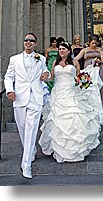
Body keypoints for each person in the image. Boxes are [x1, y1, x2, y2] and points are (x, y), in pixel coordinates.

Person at [38, 41, 103, 163]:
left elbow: (78, 76)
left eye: (64, 49)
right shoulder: (55, 62)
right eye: (60, 49)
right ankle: (59, 148)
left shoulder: (74, 62)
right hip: (58, 93)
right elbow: (52, 77)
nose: (61, 51)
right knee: (57, 120)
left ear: (69, 51)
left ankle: (75, 148)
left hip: (72, 92)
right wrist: (44, 78)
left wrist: (84, 81)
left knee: (74, 117)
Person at [4, 33, 50, 179]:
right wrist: (10, 90)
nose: (28, 42)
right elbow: (9, 76)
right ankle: (30, 151)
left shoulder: (41, 58)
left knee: (31, 129)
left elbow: (45, 71)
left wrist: (46, 74)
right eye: (26, 40)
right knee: (22, 128)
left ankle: (26, 165)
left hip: (35, 98)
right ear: (24, 43)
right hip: (19, 97)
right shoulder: (14, 59)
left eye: (31, 40)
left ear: (35, 43)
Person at [74, 36, 103, 118]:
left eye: (95, 43)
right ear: (89, 42)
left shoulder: (100, 49)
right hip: (88, 71)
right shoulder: (84, 50)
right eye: (92, 43)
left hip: (98, 70)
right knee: (89, 89)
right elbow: (76, 58)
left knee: (102, 88)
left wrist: (99, 61)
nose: (94, 45)